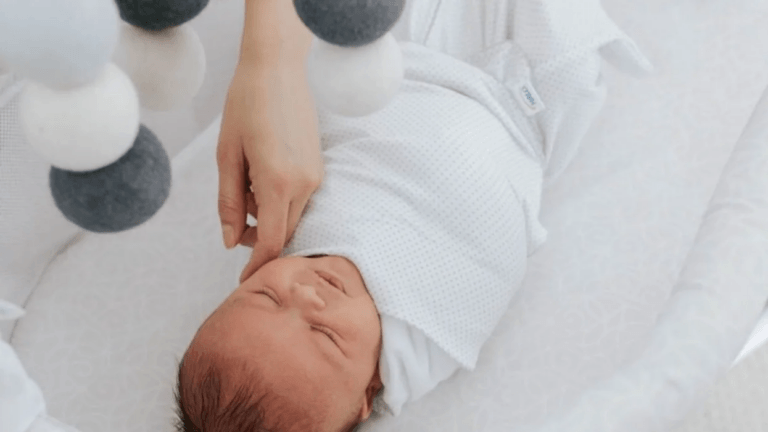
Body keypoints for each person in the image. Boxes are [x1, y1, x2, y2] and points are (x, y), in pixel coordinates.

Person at [176, 0, 653, 431]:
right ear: (367, 393)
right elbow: (494, 256)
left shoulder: (292, 231)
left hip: (406, 67)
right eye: (324, 334)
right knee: (566, 61)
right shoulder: (421, 341)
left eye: (265, 297)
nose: (306, 293)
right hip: (519, 109)